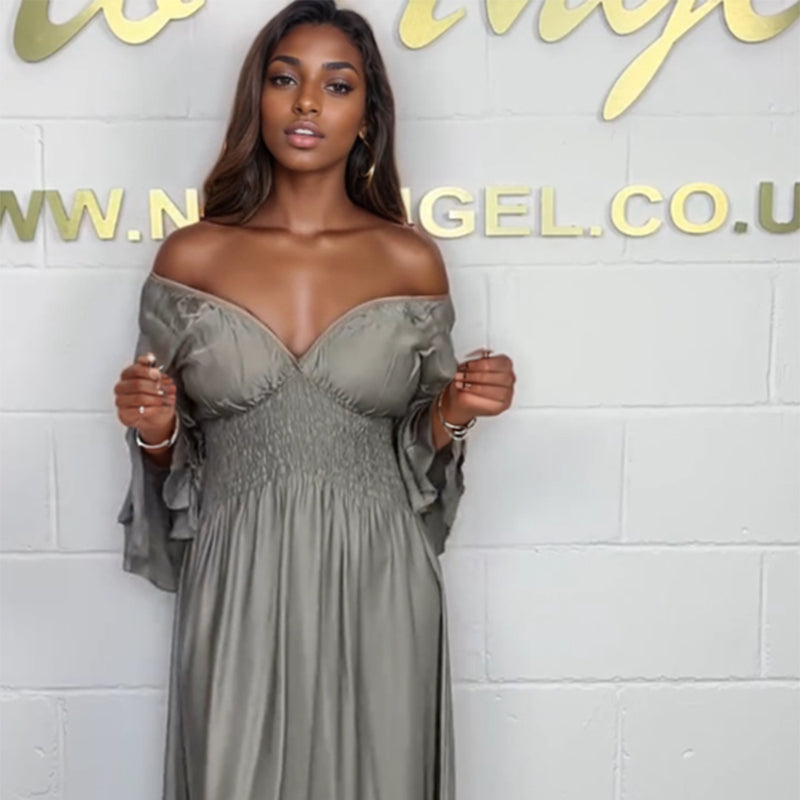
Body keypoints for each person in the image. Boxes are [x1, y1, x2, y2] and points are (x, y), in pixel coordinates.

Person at [113, 1, 515, 798]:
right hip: (238, 571)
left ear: (368, 116)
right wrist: (155, 431)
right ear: (256, 99)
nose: (306, 103)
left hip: (379, 576)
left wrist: (459, 408)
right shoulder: (192, 258)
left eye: (337, 85)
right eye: (284, 79)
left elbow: (418, 452)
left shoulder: (408, 260)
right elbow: (172, 466)